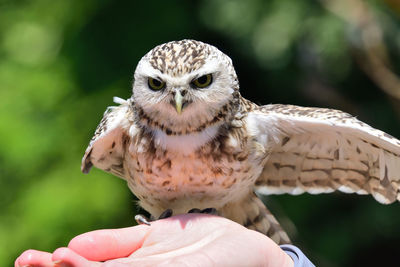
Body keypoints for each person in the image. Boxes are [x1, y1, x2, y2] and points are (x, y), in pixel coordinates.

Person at [15, 213, 314, 267]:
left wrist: (274, 262)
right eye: (157, 85)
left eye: (202, 82)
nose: (178, 98)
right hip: (167, 223)